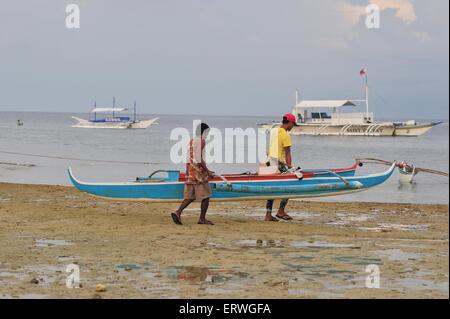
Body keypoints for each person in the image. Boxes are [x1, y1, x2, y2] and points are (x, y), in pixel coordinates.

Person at [171, 123, 215, 225]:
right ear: (204, 132)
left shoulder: (192, 141)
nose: (208, 134)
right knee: (206, 196)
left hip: (190, 170)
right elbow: (198, 158)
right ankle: (202, 219)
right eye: (207, 132)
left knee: (190, 196)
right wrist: (207, 171)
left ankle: (177, 212)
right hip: (198, 171)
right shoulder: (201, 141)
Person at [264, 114, 297, 221]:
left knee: (271, 187)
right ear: (290, 123)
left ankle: (268, 214)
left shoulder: (274, 131)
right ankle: (281, 211)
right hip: (278, 163)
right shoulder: (286, 135)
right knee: (290, 184)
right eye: (293, 124)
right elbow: (287, 153)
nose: (293, 127)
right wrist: (290, 168)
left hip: (269, 161)